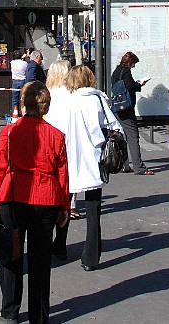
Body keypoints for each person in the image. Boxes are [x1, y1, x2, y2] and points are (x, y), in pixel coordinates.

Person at [0, 81, 70, 323]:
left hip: (13, 196)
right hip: (45, 198)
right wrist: (65, 205)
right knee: (40, 260)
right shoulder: (56, 135)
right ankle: (39, 314)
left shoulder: (10, 132)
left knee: (11, 255)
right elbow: (62, 173)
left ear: (23, 104)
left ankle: (10, 308)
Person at [63, 65, 123, 271]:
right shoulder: (97, 99)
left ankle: (58, 245)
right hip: (93, 157)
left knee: (62, 203)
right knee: (93, 209)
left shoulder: (66, 101)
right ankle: (91, 256)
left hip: (68, 157)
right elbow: (114, 126)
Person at [44, 59, 74, 256]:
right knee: (66, 196)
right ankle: (61, 241)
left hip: (47, 149)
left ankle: (45, 240)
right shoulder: (73, 95)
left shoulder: (46, 95)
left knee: (47, 196)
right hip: (69, 149)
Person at [110, 51, 154, 175]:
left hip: (117, 108)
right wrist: (140, 84)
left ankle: (125, 165)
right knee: (133, 137)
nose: (133, 66)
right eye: (133, 63)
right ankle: (139, 167)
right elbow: (130, 87)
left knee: (123, 137)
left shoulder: (116, 71)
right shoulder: (126, 72)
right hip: (126, 109)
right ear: (130, 62)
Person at [10, 50, 29, 114]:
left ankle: (14, 113)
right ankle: (23, 113)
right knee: (23, 98)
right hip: (22, 80)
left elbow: (12, 61)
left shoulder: (12, 63)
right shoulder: (25, 63)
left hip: (15, 81)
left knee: (14, 99)